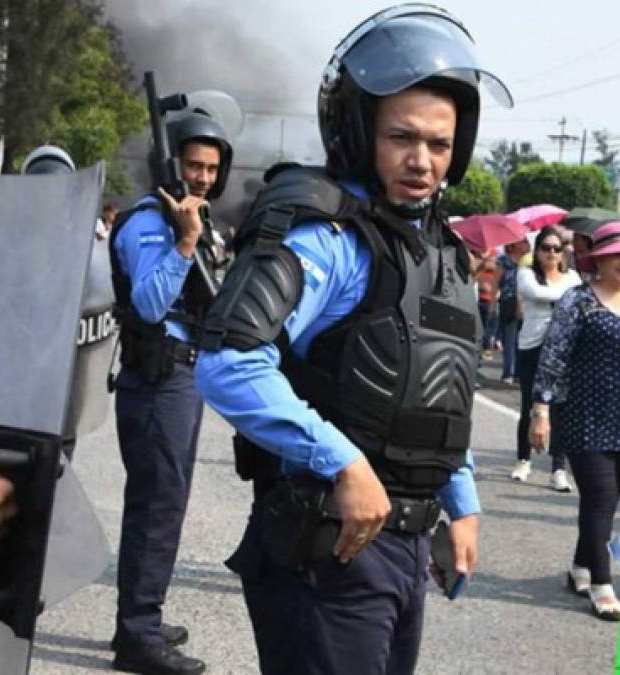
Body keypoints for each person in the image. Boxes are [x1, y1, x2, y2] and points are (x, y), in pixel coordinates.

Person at [194, 6, 513, 673]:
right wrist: (342, 461)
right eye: (403, 137)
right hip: (328, 547)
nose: (422, 161)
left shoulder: (442, 253)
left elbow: (435, 394)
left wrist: (463, 506)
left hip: (405, 547)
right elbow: (227, 361)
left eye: (440, 143)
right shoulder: (326, 236)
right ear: (361, 130)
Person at [108, 107, 234, 675]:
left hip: (183, 377)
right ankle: (137, 635)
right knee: (156, 509)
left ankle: (142, 620)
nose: (203, 177)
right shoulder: (146, 222)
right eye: (193, 165)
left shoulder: (195, 218)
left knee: (166, 504)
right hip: (157, 380)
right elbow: (150, 305)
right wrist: (185, 244)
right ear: (171, 164)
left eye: (211, 168)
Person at [529, 221, 620, 621]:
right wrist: (540, 411)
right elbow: (553, 357)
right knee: (598, 499)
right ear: (599, 259)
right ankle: (601, 582)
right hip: (583, 417)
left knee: (609, 499)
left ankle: (580, 564)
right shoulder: (578, 300)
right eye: (618, 256)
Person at [511, 226, 580, 490]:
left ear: (564, 253)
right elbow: (536, 294)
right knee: (530, 405)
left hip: (563, 349)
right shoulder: (527, 274)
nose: (551, 253)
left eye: (557, 248)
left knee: (562, 408)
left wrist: (570, 297)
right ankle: (523, 460)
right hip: (533, 346)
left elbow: (578, 302)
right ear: (537, 251)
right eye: (546, 248)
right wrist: (568, 297)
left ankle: (559, 469)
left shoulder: (572, 276)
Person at [496, 241, 525, 384]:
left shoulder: (528, 261)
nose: (526, 244)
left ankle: (519, 373)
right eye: (523, 241)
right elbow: (496, 282)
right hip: (508, 302)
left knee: (521, 340)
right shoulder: (504, 261)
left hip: (525, 303)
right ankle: (508, 372)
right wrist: (492, 304)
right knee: (510, 339)